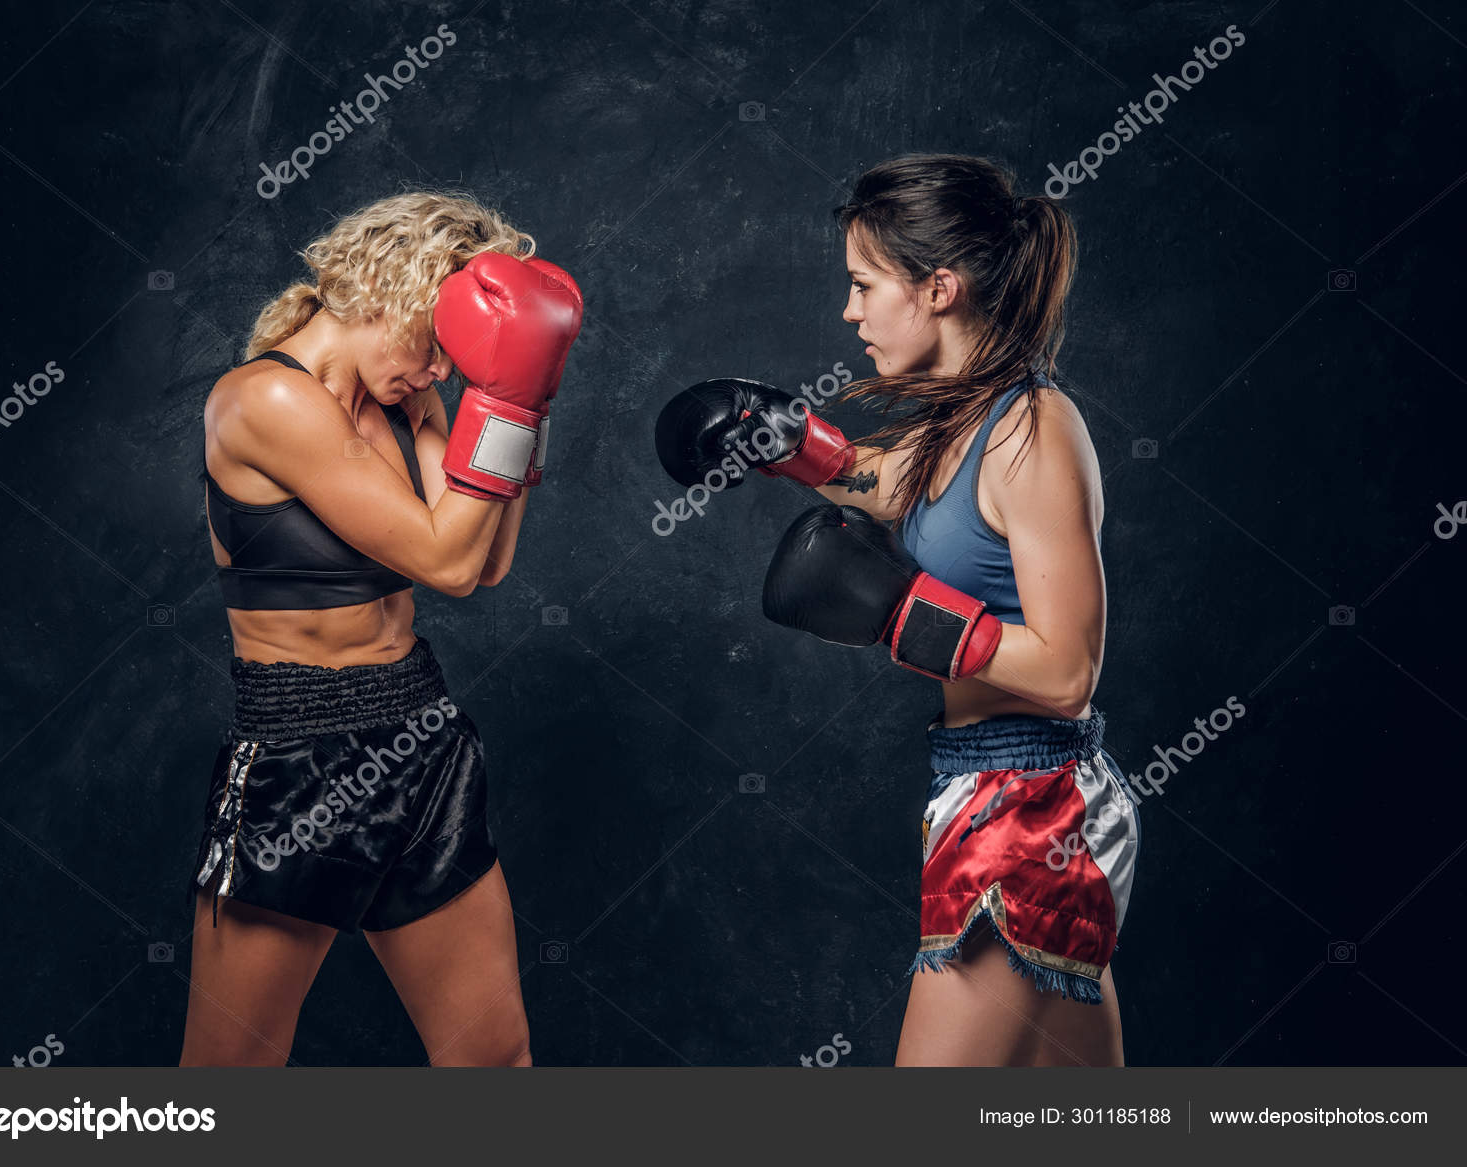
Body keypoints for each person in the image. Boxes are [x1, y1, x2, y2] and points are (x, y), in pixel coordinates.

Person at [655, 154, 1138, 1066]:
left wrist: (900, 611)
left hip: (1030, 811)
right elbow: (872, 476)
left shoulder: (1033, 432)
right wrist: (783, 442)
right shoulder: (961, 421)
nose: (850, 312)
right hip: (987, 786)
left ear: (940, 288)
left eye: (864, 285)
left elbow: (1070, 670)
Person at [179, 191, 581, 1066]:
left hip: (421, 738)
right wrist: (504, 409)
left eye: (459, 356)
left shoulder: (409, 405)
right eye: (438, 344)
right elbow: (442, 557)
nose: (441, 371)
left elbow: (481, 565)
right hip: (299, 756)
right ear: (391, 293)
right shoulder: (262, 401)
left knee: (493, 1059)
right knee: (229, 1075)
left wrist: (524, 404)